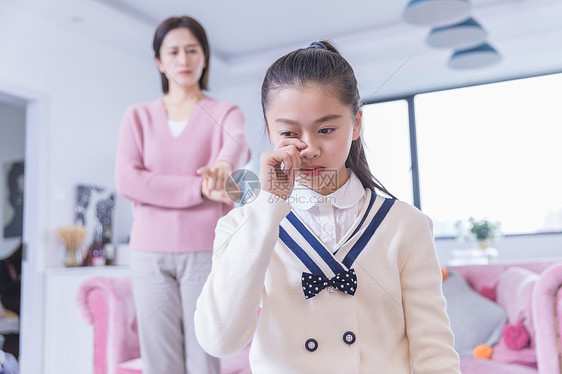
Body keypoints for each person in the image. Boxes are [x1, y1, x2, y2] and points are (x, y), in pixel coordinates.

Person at [194, 41, 460, 373]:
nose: (309, 148)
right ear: (269, 129)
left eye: (326, 129)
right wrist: (267, 206)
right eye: (289, 132)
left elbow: (433, 350)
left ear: (357, 123)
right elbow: (220, 340)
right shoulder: (242, 226)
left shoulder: (406, 224)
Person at [115, 16, 250, 374]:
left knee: (205, 355)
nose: (184, 60)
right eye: (172, 51)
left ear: (204, 57)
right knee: (160, 361)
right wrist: (200, 188)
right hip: (148, 254)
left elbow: (236, 143)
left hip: (204, 252)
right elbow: (129, 181)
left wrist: (222, 165)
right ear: (159, 61)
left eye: (192, 50)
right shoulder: (138, 117)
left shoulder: (225, 112)